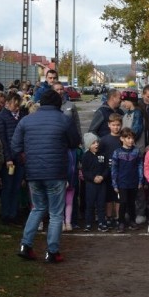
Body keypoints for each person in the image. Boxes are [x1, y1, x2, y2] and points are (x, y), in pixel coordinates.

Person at [13, 89, 81, 263]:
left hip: (33, 172)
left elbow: (15, 146)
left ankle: (25, 245)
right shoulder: (64, 121)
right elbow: (74, 142)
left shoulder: (26, 121)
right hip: (56, 171)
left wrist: (26, 160)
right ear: (58, 103)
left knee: (37, 208)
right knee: (56, 213)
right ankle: (52, 251)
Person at [0, 91, 28, 226]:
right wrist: (7, 158)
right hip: (8, 159)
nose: (17, 107)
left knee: (17, 187)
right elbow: (3, 140)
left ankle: (14, 213)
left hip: (20, 157)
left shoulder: (22, 116)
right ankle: (6, 215)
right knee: (8, 187)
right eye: (15, 105)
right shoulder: (1, 117)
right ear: (7, 104)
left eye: (18, 104)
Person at [52, 81, 82, 231]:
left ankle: (71, 219)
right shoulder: (51, 107)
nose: (59, 92)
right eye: (56, 90)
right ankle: (57, 219)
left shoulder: (70, 106)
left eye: (61, 89)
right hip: (57, 148)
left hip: (70, 148)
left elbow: (76, 126)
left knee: (72, 184)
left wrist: (80, 143)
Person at [111, 127, 143, 233]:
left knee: (131, 202)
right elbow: (114, 169)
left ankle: (132, 221)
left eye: (132, 138)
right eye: (128, 138)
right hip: (122, 182)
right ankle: (121, 222)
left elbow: (140, 166)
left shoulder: (136, 151)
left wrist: (140, 180)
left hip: (133, 181)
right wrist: (115, 184)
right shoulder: (117, 152)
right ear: (122, 139)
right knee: (123, 202)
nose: (131, 140)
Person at [81, 132, 109, 232]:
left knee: (101, 204)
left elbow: (106, 168)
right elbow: (85, 171)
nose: (96, 144)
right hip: (90, 185)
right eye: (93, 143)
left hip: (102, 184)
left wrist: (102, 176)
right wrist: (93, 178)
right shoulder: (85, 156)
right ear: (89, 145)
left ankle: (102, 222)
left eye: (97, 142)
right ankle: (88, 223)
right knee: (89, 204)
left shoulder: (103, 155)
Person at [99, 114, 124, 228]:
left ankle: (118, 217)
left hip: (120, 172)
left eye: (118, 125)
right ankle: (108, 217)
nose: (116, 127)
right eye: (113, 125)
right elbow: (100, 156)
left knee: (118, 196)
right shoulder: (104, 140)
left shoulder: (123, 139)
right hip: (107, 172)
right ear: (109, 125)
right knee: (108, 196)